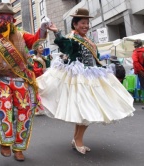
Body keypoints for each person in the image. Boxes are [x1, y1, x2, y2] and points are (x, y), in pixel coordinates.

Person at [36, 8, 135, 155]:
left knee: (83, 111)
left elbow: (96, 55)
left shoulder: (87, 39)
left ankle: (76, 139)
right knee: (86, 110)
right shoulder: (73, 38)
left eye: (87, 23)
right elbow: (66, 46)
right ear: (75, 25)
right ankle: (78, 141)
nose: (86, 25)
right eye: (82, 23)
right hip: (80, 78)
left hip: (92, 76)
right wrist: (57, 32)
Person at [0, 2, 48, 161]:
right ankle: (5, 142)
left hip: (21, 80)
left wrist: (42, 28)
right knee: (4, 109)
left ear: (13, 20)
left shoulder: (21, 34)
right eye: (2, 17)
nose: (5, 21)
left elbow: (35, 42)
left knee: (24, 114)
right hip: (2, 80)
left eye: (8, 18)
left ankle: (19, 148)